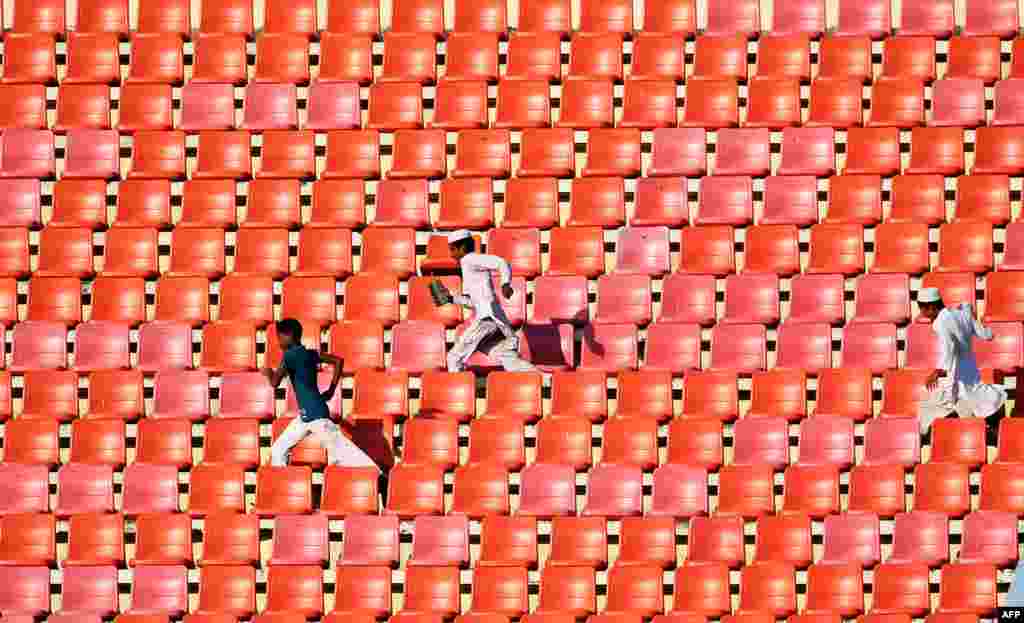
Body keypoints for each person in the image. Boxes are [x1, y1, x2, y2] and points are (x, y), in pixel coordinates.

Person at [263, 318, 381, 470]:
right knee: (279, 448)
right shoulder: (310, 353)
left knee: (344, 451)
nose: (278, 342)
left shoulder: (289, 356)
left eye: (279, 337)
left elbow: (274, 382)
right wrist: (331, 390)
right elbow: (338, 361)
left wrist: (267, 372)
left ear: (288, 336)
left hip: (316, 416)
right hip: (306, 416)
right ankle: (281, 482)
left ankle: (376, 475)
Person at [432, 229, 536, 373]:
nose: (451, 254)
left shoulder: (469, 259)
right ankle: (543, 379)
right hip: (495, 321)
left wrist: (506, 283)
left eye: (452, 249)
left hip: (486, 319)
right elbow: (474, 303)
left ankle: (459, 392)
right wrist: (451, 298)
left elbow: (501, 262)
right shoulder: (468, 266)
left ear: (462, 248)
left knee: (454, 357)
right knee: (507, 358)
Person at [916, 287, 1007, 439]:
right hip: (968, 368)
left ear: (931, 307)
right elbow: (986, 335)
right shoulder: (962, 314)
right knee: (974, 399)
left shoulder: (940, 322)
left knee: (936, 406)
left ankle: (932, 435)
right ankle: (990, 428)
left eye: (922, 309)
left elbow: (948, 348)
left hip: (953, 371)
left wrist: (938, 371)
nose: (922, 314)